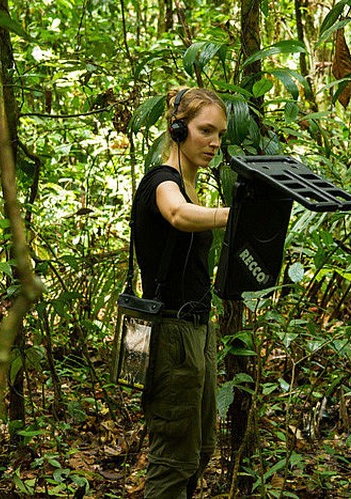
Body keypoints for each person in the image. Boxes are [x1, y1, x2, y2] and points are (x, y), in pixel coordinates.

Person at [131, 87, 229, 498]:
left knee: (201, 449)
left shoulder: (190, 187)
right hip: (171, 335)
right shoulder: (162, 182)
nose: (214, 143)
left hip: (196, 333)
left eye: (220, 134)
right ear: (177, 129)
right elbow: (177, 213)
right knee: (173, 460)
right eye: (205, 130)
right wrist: (234, 216)